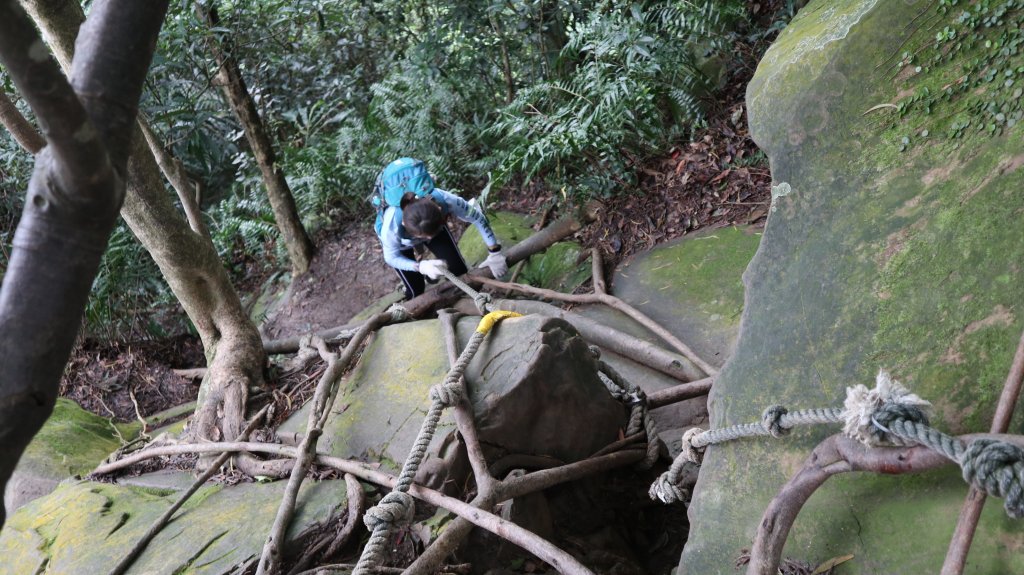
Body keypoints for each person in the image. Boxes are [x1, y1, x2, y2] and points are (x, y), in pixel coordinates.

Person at [374, 158, 508, 300]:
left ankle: (465, 298)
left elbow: (478, 217)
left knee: (458, 269)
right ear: (405, 225)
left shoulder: (444, 199)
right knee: (416, 289)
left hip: (432, 224)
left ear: (439, 211)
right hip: (403, 243)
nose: (429, 239)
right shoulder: (391, 227)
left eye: (432, 234)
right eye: (424, 236)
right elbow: (391, 257)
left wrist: (495, 253)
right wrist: (420, 267)